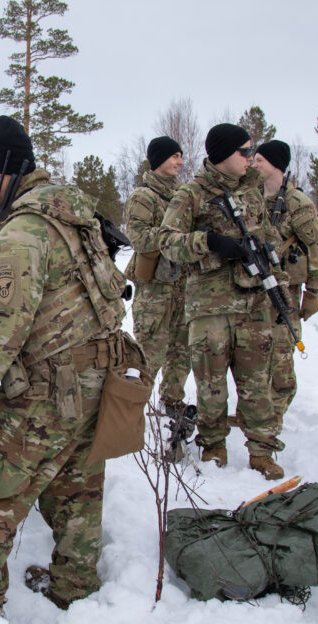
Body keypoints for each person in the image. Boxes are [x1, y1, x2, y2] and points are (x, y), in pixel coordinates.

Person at [0, 115, 132, 617]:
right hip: (96, 383)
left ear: (1, 167)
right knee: (76, 491)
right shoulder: (65, 215)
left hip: (47, 392)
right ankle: (75, 588)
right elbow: (52, 295)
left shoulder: (20, 234)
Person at [156, 123, 287, 480]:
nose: (250, 158)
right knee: (211, 386)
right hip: (209, 308)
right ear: (223, 155)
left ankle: (262, 450)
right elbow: (166, 242)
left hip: (253, 303)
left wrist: (266, 248)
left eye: (251, 152)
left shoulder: (254, 191)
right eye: (244, 152)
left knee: (258, 382)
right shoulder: (192, 194)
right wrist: (210, 242)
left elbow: (266, 232)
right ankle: (213, 444)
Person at [252, 140, 318, 421]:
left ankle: (276, 412)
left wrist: (313, 292)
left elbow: (316, 249)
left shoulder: (297, 203)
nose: (254, 164)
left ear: (275, 164)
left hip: (286, 291)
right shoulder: (254, 198)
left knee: (282, 351)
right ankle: (257, 411)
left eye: (259, 160)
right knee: (256, 353)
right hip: (255, 290)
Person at [124, 136, 193, 420]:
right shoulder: (144, 196)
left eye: (180, 156)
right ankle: (129, 406)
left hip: (182, 284)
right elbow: (137, 236)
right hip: (155, 288)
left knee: (182, 348)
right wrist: (175, 239)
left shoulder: (184, 193)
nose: (179, 162)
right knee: (150, 349)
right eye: (174, 156)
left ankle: (173, 400)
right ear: (159, 160)